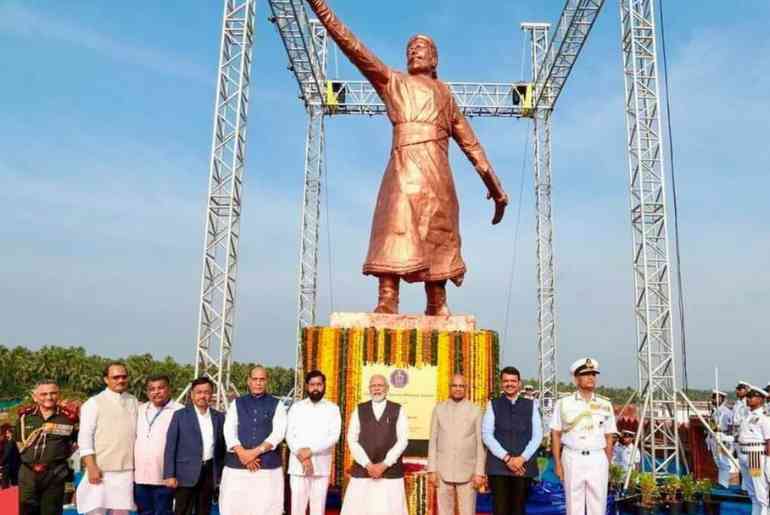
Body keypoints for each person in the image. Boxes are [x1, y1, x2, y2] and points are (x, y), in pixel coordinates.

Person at [304, 0, 509, 316]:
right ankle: (388, 296)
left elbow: (472, 145)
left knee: (439, 233)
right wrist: (320, 7)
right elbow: (351, 45)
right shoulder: (392, 82)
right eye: (410, 48)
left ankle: (436, 301)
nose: (414, 51)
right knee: (394, 227)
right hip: (403, 168)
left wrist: (496, 189)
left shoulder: (446, 96)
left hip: (438, 174)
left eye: (421, 48)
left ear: (434, 58)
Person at [551, 358, 616, 515]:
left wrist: (607, 463)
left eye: (593, 374)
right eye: (586, 374)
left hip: (597, 457)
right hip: (573, 456)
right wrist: (558, 464)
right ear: (576, 379)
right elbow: (556, 434)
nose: (591, 377)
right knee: (573, 505)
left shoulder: (605, 405)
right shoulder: (563, 403)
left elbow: (609, 437)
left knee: (598, 504)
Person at [219, 366, 287, 515]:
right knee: (234, 507)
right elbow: (229, 430)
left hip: (267, 467)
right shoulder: (237, 403)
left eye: (262, 379)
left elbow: (278, 433)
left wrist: (254, 453)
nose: (258, 383)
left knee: (266, 508)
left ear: (267, 381)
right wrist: (242, 453)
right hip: (237, 466)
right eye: (255, 379)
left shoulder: (278, 404)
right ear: (248, 381)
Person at [341, 374, 409, 515]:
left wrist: (384, 464)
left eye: (380, 385)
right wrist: (368, 464)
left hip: (390, 472)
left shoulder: (398, 409)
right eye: (373, 386)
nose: (377, 389)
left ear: (387, 388)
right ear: (369, 389)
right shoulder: (359, 409)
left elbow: (403, 440)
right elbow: (351, 439)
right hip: (364, 471)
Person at [76, 362, 139, 515]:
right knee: (95, 511)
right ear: (106, 379)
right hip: (100, 470)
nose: (120, 380)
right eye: (115, 377)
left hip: (126, 472)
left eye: (123, 377)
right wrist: (91, 467)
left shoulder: (134, 401)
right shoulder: (93, 403)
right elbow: (84, 437)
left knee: (121, 513)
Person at [482, 366, 542, 515]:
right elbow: (487, 435)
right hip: (499, 466)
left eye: (513, 381)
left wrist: (522, 458)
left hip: (523, 467)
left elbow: (537, 435)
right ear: (501, 384)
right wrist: (507, 458)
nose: (510, 384)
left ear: (519, 383)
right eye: (506, 381)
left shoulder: (531, 405)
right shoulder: (493, 404)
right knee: (500, 509)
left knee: (518, 509)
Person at [14, 380, 78, 515]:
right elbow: (19, 443)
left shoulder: (69, 418)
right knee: (27, 510)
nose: (49, 397)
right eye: (43, 394)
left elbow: (74, 444)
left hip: (54, 473)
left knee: (51, 511)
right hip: (28, 474)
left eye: (53, 393)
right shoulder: (25, 417)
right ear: (34, 397)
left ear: (58, 394)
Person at [163, 377, 225, 515]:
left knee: (204, 511)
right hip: (184, 474)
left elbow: (222, 448)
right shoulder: (180, 416)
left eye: (207, 392)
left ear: (212, 394)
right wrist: (169, 474)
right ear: (192, 394)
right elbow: (170, 446)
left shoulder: (219, 417)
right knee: (182, 511)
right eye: (199, 392)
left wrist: (220, 474)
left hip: (209, 474)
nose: (203, 396)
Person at [428, 374, 485, 515]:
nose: (458, 389)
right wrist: (432, 470)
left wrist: (479, 472)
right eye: (455, 385)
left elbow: (480, 444)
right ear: (450, 388)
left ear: (466, 388)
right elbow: (433, 441)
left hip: (468, 473)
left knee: (467, 512)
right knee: (444, 512)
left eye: (461, 386)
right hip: (442, 471)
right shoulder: (439, 409)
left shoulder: (476, 410)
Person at [286, 370, 341, 515]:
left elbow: (333, 436)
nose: (315, 388)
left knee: (318, 509)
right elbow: (289, 435)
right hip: (298, 467)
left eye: (319, 384)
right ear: (306, 386)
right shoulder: (296, 408)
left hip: (321, 467)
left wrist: (311, 451)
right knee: (297, 508)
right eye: (312, 385)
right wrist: (302, 456)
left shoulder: (333, 409)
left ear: (324, 386)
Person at [134, 375, 183, 515]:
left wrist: (174, 474)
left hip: (165, 477)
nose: (156, 392)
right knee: (144, 512)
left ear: (169, 389)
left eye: (161, 388)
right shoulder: (139, 410)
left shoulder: (180, 411)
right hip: (140, 476)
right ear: (147, 392)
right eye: (152, 389)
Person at [736, 384, 770, 515]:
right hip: (744, 454)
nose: (748, 399)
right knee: (751, 491)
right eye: (748, 396)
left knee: (760, 489)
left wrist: (768, 461)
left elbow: (769, 440)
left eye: (752, 396)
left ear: (761, 399)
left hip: (755, 455)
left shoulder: (764, 417)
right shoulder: (748, 416)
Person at [707, 390, 736, 488]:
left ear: (722, 399)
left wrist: (726, 437)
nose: (713, 399)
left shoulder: (726, 411)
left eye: (716, 397)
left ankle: (724, 484)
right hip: (714, 438)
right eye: (713, 397)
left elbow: (731, 426)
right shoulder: (714, 411)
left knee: (723, 461)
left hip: (722, 438)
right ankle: (721, 482)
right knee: (718, 460)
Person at [1, 423, 21, 489]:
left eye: (7, 433)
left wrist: (1, 462)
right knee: (14, 484)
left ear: (10, 433)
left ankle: (6, 497)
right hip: (15, 466)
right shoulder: (15, 442)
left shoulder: (10, 442)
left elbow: (7, 454)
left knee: (5, 484)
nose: (6, 435)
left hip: (8, 466)